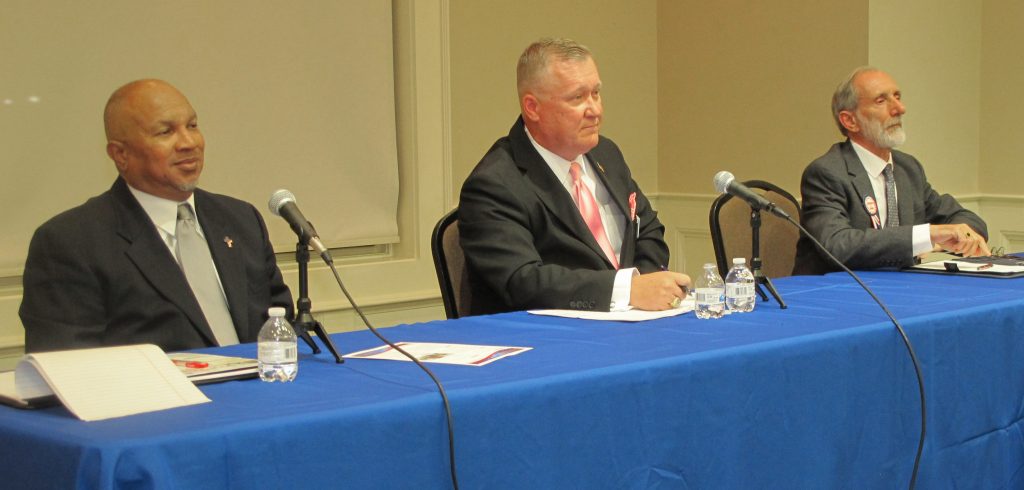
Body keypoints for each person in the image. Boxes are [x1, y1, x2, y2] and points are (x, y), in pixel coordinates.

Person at [20, 79, 293, 353]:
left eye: (192, 126)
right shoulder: (72, 242)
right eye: (165, 132)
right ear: (120, 154)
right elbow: (66, 362)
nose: (189, 143)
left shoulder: (240, 219)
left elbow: (284, 327)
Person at [458, 38, 690, 314]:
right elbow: (523, 280)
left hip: (632, 322)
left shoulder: (606, 154)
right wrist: (626, 291)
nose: (595, 111)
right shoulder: (494, 184)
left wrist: (643, 288)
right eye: (577, 98)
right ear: (532, 107)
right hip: (549, 333)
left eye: (596, 93)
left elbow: (647, 228)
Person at [793, 67, 990, 275]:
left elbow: (966, 219)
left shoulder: (908, 168)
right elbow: (838, 245)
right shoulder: (826, 173)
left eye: (897, 97)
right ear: (850, 121)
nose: (899, 109)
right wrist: (926, 236)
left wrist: (953, 237)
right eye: (881, 101)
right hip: (835, 289)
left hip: (898, 287)